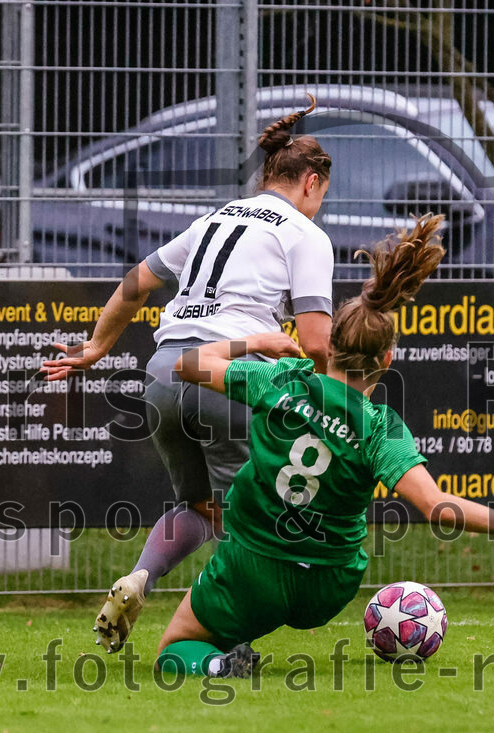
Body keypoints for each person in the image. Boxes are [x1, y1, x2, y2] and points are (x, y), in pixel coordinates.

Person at [155, 213, 494, 678]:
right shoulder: (381, 428)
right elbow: (438, 508)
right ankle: (234, 639)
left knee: (176, 647)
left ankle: (217, 664)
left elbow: (187, 364)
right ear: (387, 358)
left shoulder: (281, 380)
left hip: (254, 567)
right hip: (327, 586)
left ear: (329, 343)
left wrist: (259, 340)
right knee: (266, 600)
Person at [40, 95, 334, 652]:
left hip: (163, 374)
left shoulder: (214, 219)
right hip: (229, 377)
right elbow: (317, 343)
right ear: (312, 183)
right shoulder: (304, 233)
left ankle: (140, 578)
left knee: (199, 508)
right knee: (249, 518)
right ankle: (232, 641)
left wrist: (96, 349)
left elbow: (135, 280)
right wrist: (331, 405)